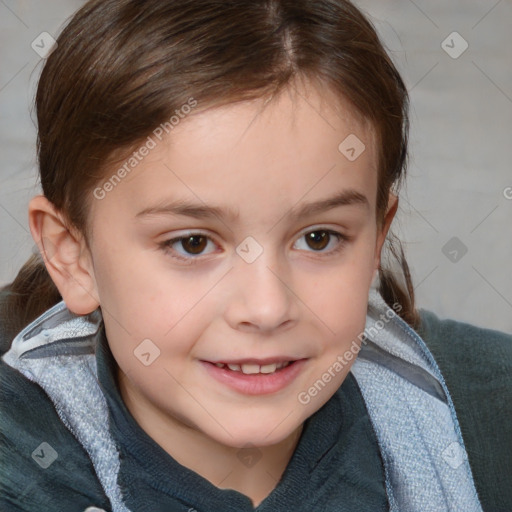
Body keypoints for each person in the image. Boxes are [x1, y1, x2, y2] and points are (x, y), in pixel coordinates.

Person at [0, 1, 510, 511]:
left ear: (377, 236)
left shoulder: (488, 418)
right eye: (193, 243)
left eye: (318, 238)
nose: (266, 308)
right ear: (73, 255)